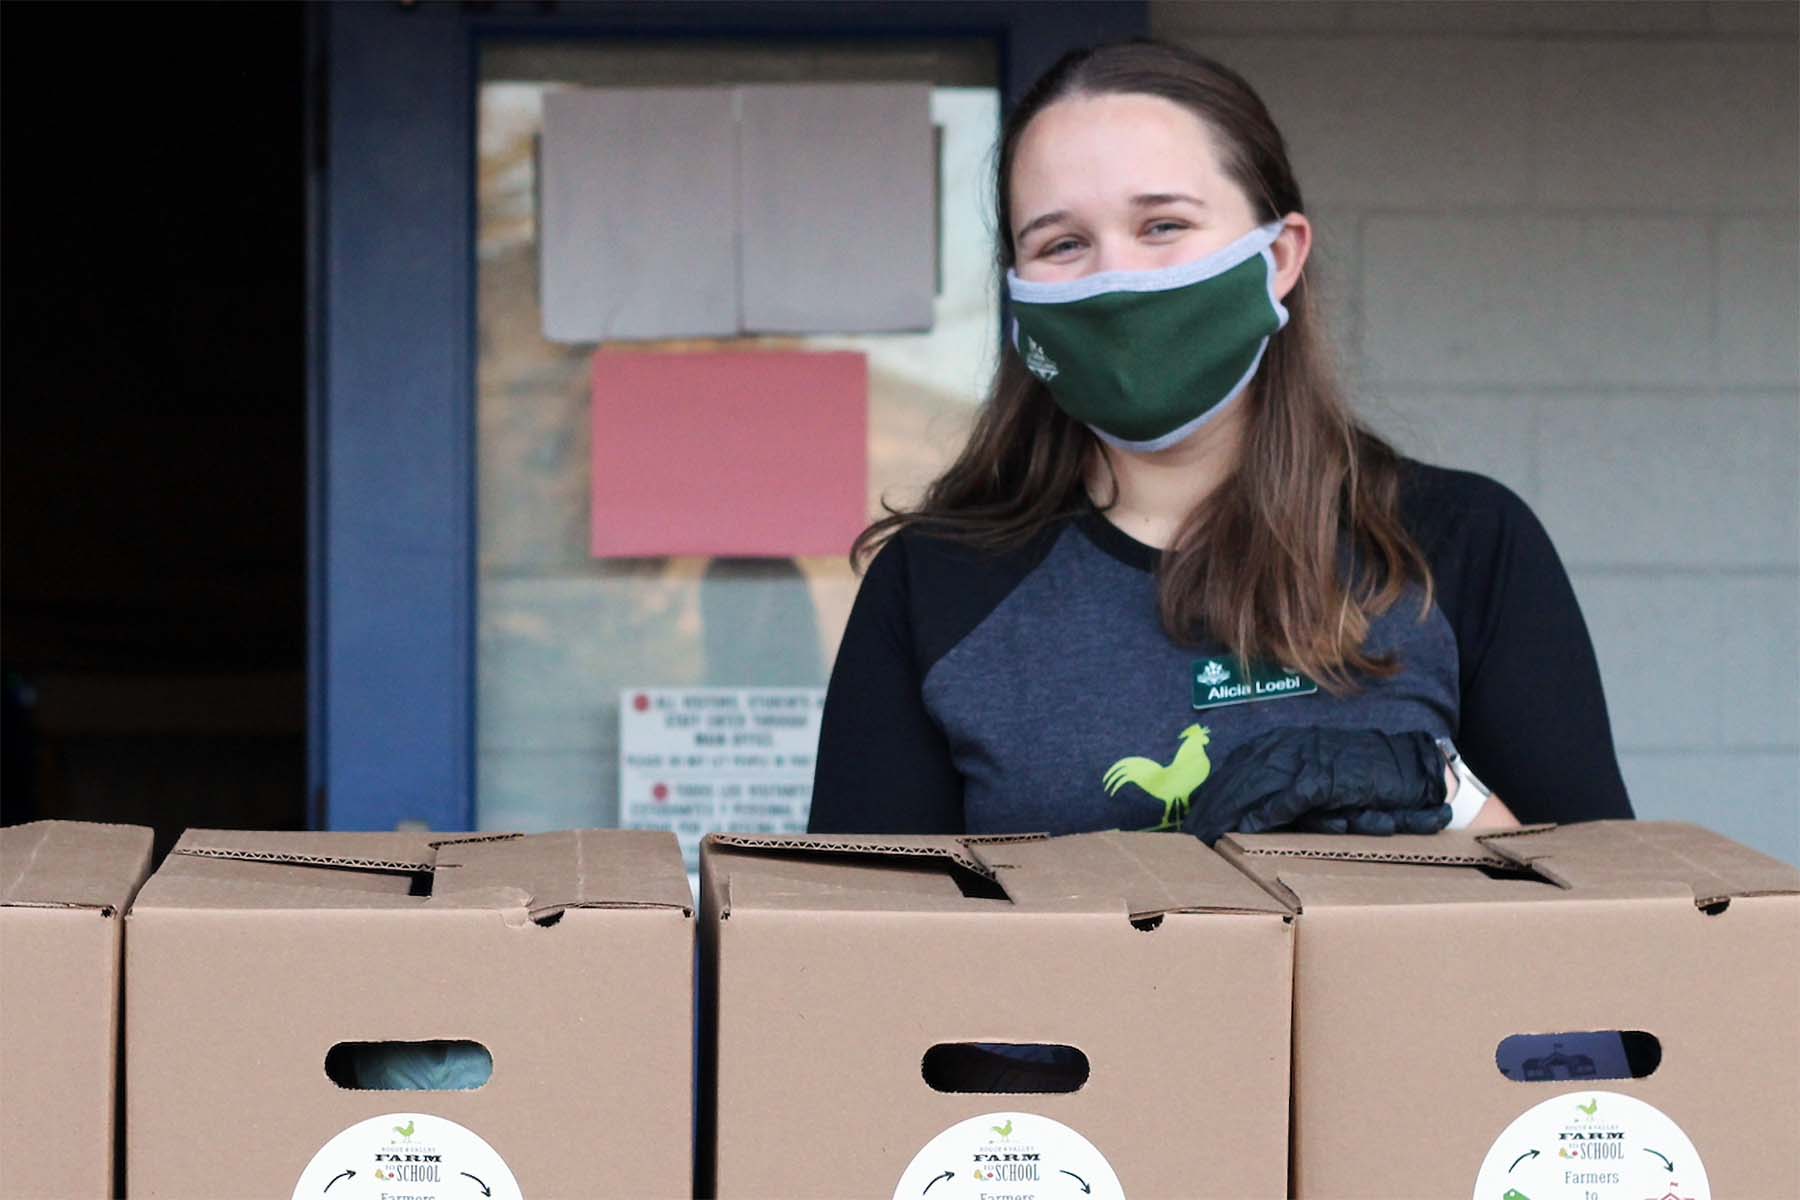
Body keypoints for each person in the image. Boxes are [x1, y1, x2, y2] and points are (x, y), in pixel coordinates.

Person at [807, 39, 1632, 839]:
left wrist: (1448, 801)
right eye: (1062, 243)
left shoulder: (1460, 546)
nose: (1115, 279)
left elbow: (1620, 929)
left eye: (1162, 225)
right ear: (1019, 291)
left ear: (1278, 257)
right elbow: (857, 953)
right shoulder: (934, 587)